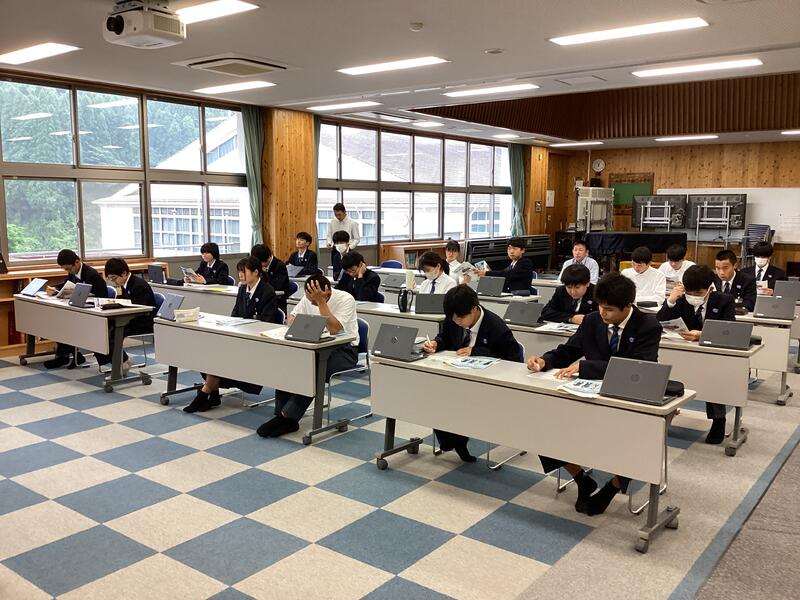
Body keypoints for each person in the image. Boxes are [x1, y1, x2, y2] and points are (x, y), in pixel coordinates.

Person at [526, 273, 662, 515]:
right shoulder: (592, 320)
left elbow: (639, 367)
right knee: (544, 425)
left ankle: (612, 487)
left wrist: (587, 367)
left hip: (627, 397)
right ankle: (581, 479)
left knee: (638, 435)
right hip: (587, 394)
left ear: (627, 306)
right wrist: (545, 361)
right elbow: (569, 350)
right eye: (600, 306)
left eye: (609, 309)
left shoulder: (648, 325)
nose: (603, 313)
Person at [422, 285, 523, 461]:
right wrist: (436, 344)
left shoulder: (496, 326)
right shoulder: (454, 318)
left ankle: (457, 440)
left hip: (486, 382)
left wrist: (476, 351)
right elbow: (445, 337)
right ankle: (453, 440)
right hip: (455, 374)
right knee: (434, 394)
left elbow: (513, 359)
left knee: (456, 400)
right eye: (453, 319)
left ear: (474, 309)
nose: (457, 322)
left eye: (461, 318)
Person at [257, 275, 359, 438]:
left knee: (312, 369)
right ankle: (280, 413)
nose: (311, 302)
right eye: (309, 298)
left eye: (314, 299)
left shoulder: (346, 299)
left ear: (327, 291)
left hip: (344, 350)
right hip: (315, 345)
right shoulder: (308, 297)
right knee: (289, 361)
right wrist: (298, 324)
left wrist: (320, 302)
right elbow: (292, 317)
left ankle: (287, 417)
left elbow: (334, 329)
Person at [184, 256, 278, 413]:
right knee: (209, 351)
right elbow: (235, 313)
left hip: (256, 340)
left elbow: (266, 321)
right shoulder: (242, 289)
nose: (240, 275)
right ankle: (212, 394)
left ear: (256, 272)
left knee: (220, 355)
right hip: (239, 334)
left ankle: (205, 394)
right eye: (239, 271)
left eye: (244, 271)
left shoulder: (267, 291)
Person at [656, 264, 735, 444]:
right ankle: (664, 414)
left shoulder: (724, 300)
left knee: (713, 379)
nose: (693, 297)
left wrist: (702, 334)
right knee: (667, 371)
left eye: (698, 293)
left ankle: (719, 420)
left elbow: (729, 330)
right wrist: (670, 301)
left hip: (712, 354)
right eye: (689, 292)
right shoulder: (681, 299)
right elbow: (658, 322)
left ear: (710, 289)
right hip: (682, 351)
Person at [44, 249, 109, 369]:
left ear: (77, 262)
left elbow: (102, 295)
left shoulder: (91, 274)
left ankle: (72, 355)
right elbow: (66, 285)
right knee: (58, 322)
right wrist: (55, 289)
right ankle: (66, 356)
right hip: (78, 308)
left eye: (68, 269)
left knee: (67, 324)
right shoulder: (73, 273)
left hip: (92, 311)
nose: (68, 271)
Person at [96, 258, 157, 374]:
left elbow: (141, 309)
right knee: (101, 328)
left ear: (124, 273)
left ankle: (121, 365)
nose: (113, 281)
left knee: (113, 332)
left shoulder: (138, 285)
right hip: (129, 318)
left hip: (143, 321)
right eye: (110, 279)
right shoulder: (125, 284)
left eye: (114, 278)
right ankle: (120, 361)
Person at [251, 243, 290, 310]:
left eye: (261, 263)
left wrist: (265, 274)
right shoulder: (259, 266)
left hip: (278, 300)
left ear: (269, 257)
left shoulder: (280, 266)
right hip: (263, 297)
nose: (259, 265)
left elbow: (276, 286)